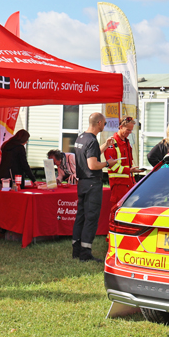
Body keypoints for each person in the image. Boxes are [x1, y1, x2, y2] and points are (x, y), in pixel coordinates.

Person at [72, 112, 114, 263]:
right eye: (104, 123)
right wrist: (109, 163)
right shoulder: (91, 140)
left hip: (82, 182)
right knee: (91, 217)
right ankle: (85, 253)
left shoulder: (82, 137)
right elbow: (93, 164)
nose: (104, 125)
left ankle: (76, 249)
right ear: (99, 123)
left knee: (81, 216)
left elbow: (92, 155)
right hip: (92, 182)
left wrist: (105, 145)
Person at [104, 117, 141, 207]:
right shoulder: (112, 142)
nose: (130, 132)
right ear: (120, 127)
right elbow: (112, 166)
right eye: (128, 130)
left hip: (129, 183)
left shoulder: (126, 142)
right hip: (118, 185)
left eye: (131, 130)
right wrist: (129, 171)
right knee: (117, 211)